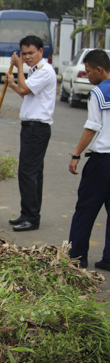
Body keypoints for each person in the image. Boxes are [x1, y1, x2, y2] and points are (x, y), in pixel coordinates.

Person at [5, 35, 56, 232]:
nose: (27, 57)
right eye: (24, 54)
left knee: (28, 173)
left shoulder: (44, 70)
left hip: (37, 128)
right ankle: (27, 213)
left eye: (31, 53)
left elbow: (25, 89)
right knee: (32, 173)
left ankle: (31, 217)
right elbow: (25, 92)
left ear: (41, 51)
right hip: (30, 127)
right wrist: (12, 84)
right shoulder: (35, 71)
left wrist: (18, 67)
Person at [68, 49, 110, 270]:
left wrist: (76, 154)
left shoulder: (98, 93)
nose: (87, 76)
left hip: (102, 160)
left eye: (88, 71)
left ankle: (76, 257)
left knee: (85, 210)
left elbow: (92, 127)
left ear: (99, 69)